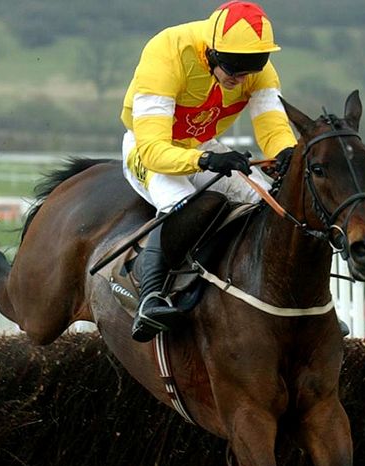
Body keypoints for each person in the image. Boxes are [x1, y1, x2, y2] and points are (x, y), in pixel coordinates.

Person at [121, 1, 298, 342]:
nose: (239, 81)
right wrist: (205, 161)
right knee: (185, 203)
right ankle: (150, 297)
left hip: (201, 145)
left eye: (247, 74)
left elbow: (273, 127)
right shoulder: (167, 51)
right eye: (233, 72)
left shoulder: (258, 71)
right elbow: (154, 150)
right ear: (212, 53)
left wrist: (286, 155)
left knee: (266, 203)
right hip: (148, 148)